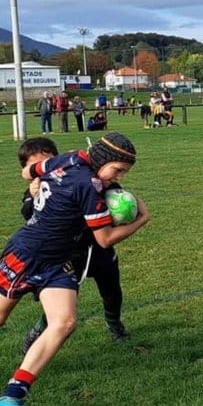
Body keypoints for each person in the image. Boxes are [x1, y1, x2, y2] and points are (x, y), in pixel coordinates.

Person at [0, 133, 149, 406]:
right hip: (25, 255)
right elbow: (105, 239)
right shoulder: (86, 185)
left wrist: (37, 184)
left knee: (64, 322)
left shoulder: (69, 158)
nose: (119, 177)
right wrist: (141, 220)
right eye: (118, 170)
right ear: (102, 160)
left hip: (58, 261)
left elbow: (29, 170)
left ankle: (14, 396)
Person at [15, 137, 133, 355]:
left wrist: (119, 209)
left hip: (99, 250)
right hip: (69, 254)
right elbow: (28, 216)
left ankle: (115, 325)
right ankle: (38, 331)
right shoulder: (38, 188)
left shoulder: (90, 181)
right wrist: (33, 196)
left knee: (112, 291)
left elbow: (111, 200)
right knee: (64, 300)